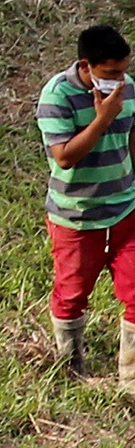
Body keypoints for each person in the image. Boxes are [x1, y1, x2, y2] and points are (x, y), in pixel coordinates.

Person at [48, 25, 135, 380]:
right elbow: (65, 157)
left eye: (124, 70)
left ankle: (130, 379)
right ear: (86, 65)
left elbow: (132, 140)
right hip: (77, 217)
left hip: (126, 210)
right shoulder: (57, 96)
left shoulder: (129, 89)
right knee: (71, 295)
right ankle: (70, 370)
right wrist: (103, 119)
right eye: (111, 73)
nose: (120, 80)